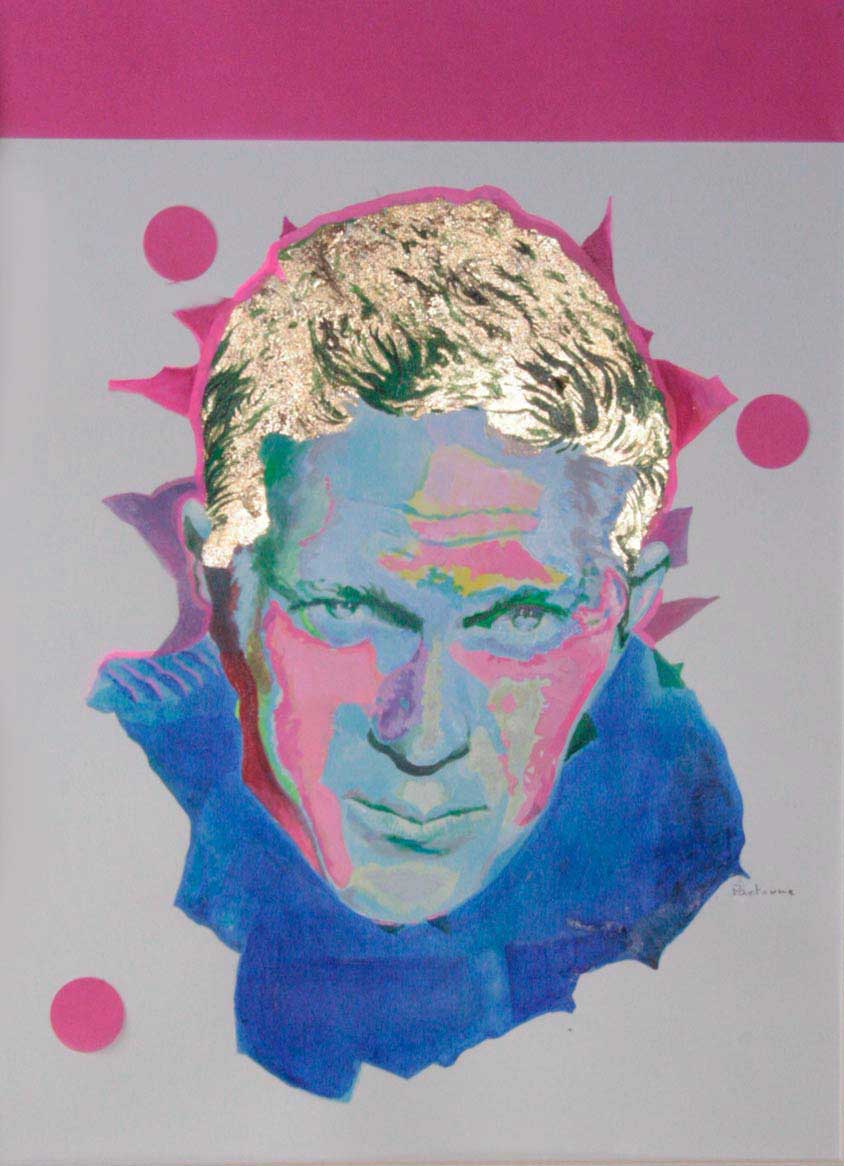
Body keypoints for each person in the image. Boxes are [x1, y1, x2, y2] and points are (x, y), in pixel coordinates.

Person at [91, 190, 744, 1098]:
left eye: (519, 620)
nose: (425, 734)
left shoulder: (694, 871)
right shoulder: (93, 822)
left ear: (627, 615)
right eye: (349, 609)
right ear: (226, 585)